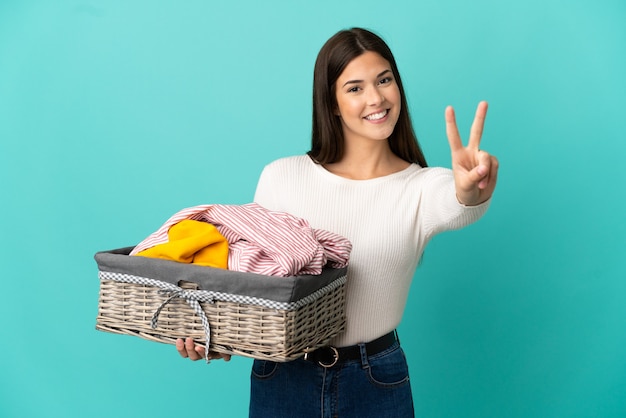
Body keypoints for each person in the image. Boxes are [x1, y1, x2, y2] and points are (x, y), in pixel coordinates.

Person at [176, 27, 498, 417]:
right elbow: (256, 281)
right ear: (331, 103)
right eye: (355, 88)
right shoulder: (281, 176)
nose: (376, 98)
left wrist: (472, 189)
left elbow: (458, 203)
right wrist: (220, 336)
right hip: (282, 376)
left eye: (384, 80)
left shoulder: (421, 186)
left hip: (374, 378)